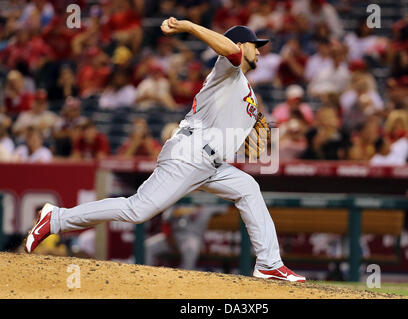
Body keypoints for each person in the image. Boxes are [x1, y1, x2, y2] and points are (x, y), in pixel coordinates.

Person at [25, 18, 306, 283]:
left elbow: (248, 141)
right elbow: (229, 50)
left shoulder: (247, 92)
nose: (259, 50)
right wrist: (186, 26)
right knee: (136, 210)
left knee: (248, 188)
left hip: (212, 165)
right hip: (189, 154)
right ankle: (56, 218)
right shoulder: (227, 69)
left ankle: (269, 264)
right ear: (241, 46)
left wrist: (259, 137)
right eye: (255, 44)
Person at [145, 205, 227, 270]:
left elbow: (224, 207)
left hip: (192, 237)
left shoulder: (207, 203)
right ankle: (145, 275)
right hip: (173, 236)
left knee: (191, 248)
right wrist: (169, 237)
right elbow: (166, 221)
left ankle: (184, 280)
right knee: (147, 246)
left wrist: (208, 198)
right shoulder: (181, 199)